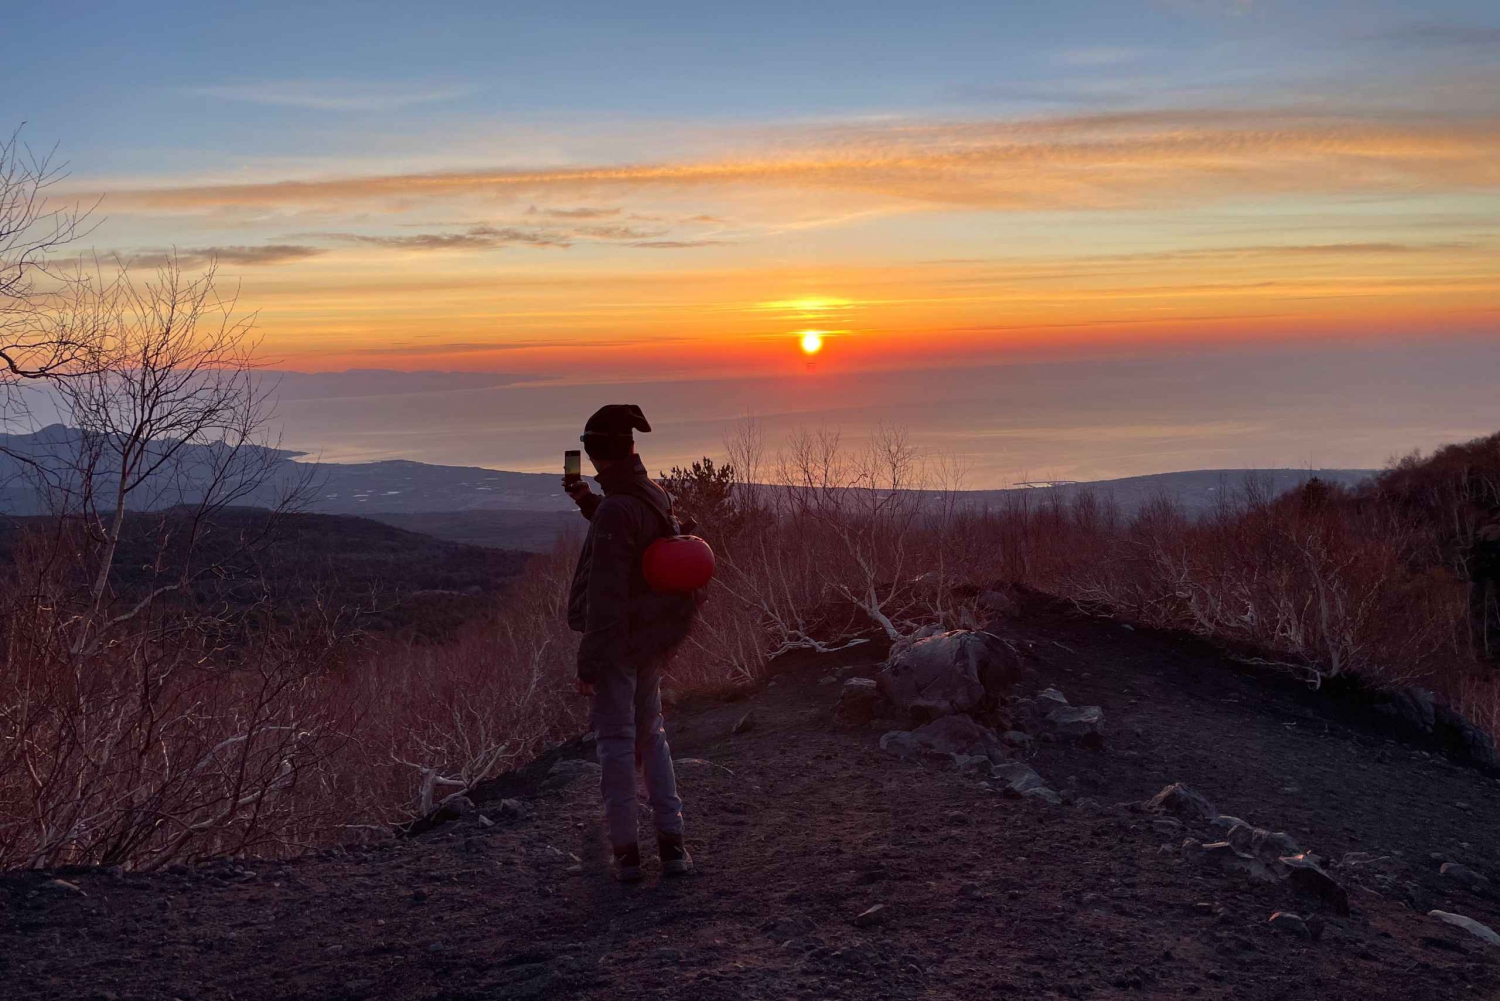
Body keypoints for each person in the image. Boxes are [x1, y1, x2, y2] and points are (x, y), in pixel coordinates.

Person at [564, 404, 697, 882]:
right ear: (631, 448)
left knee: (617, 742)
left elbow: (606, 595)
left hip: (620, 643)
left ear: (595, 454)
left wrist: (589, 664)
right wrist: (588, 505)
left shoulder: (619, 507)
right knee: (652, 737)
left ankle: (626, 854)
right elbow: (629, 537)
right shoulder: (648, 494)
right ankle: (673, 844)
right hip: (649, 640)